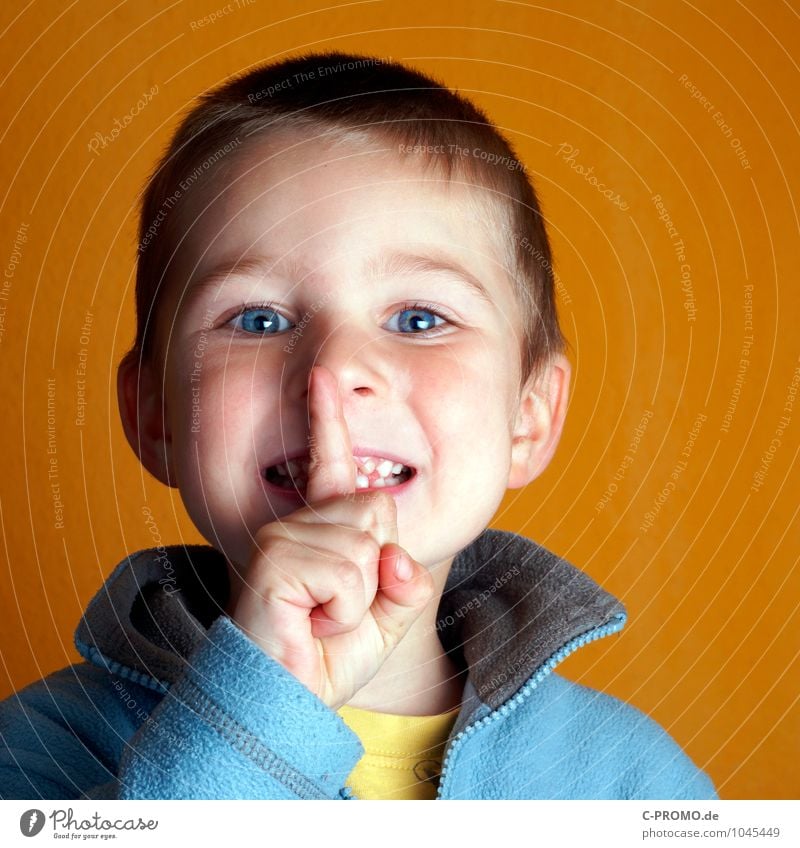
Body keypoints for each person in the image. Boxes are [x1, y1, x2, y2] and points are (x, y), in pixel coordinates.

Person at [0, 52, 716, 800]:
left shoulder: (633, 781)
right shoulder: (41, 753)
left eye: (418, 318)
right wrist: (250, 720)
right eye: (258, 318)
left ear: (528, 418)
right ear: (154, 416)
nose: (335, 367)